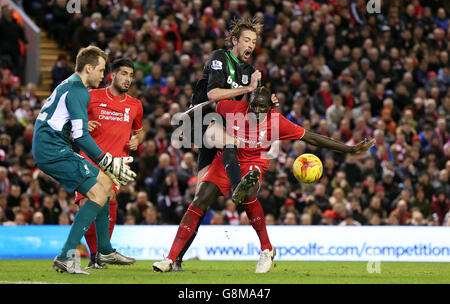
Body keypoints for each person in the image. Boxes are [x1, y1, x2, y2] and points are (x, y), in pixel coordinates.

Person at [153, 86, 374, 274]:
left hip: (254, 161)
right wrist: (185, 118)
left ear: (270, 108)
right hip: (226, 159)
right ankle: (170, 259)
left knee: (249, 190)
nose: (257, 111)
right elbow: (208, 106)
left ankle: (265, 248)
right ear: (248, 102)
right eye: (254, 106)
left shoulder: (277, 122)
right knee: (199, 200)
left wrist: (349, 148)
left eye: (262, 108)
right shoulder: (232, 108)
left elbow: (313, 137)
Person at [172, 16, 277, 270]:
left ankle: (174, 258)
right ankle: (237, 187)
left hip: (226, 128)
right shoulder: (220, 57)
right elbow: (213, 95)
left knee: (201, 198)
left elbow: (254, 108)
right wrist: (247, 88)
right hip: (203, 120)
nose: (251, 45)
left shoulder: (252, 73)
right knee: (202, 194)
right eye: (246, 40)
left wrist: (267, 100)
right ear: (234, 41)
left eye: (254, 41)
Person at [32, 46, 136, 275]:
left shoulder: (71, 85)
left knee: (106, 186)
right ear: (88, 68)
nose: (103, 75)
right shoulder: (79, 91)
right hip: (52, 150)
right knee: (98, 193)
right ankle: (66, 256)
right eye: (100, 70)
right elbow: (80, 136)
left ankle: (105, 249)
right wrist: (106, 160)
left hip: (50, 146)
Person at [74, 58, 144, 269]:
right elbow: (73, 123)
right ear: (112, 75)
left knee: (108, 199)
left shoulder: (135, 105)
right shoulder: (91, 96)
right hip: (88, 160)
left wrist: (137, 140)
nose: (128, 79)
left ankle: (99, 255)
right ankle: (97, 254)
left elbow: (139, 131)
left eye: (131, 75)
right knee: (87, 204)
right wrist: (85, 124)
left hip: (115, 165)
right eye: (123, 74)